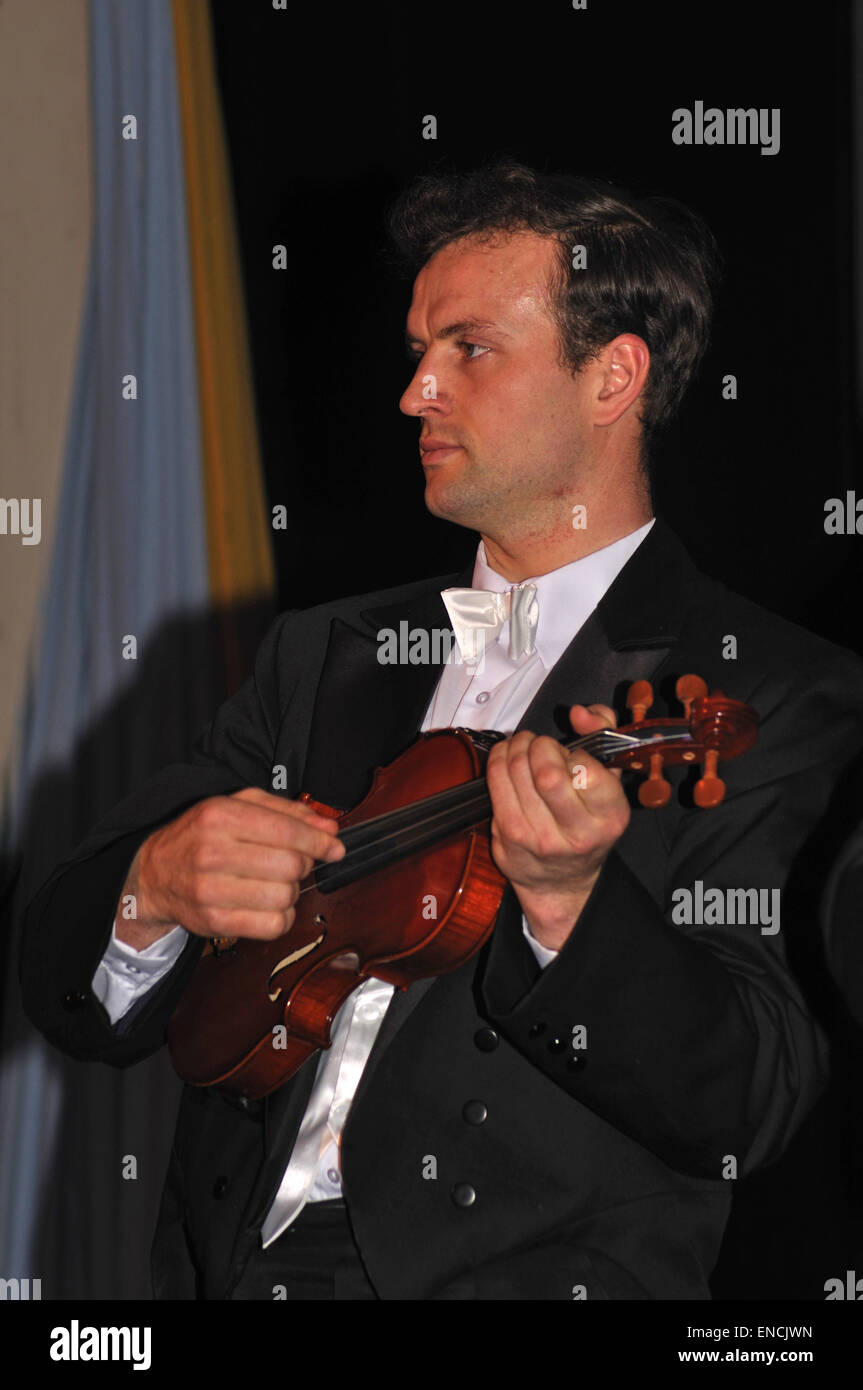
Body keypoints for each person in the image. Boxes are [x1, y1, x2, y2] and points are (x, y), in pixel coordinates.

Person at [20, 162, 863, 1300]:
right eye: (416, 351)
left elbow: (746, 1098)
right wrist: (153, 886)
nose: (415, 391)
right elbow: (68, 977)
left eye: (467, 348)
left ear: (611, 376)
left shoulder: (777, 688)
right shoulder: (321, 654)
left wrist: (570, 907)